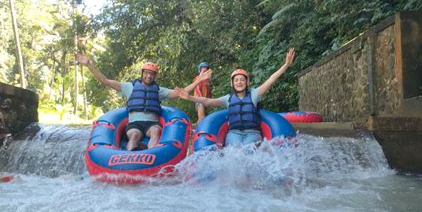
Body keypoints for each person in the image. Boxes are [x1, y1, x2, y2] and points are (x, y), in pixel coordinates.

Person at [75, 54, 211, 151]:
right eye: (146, 73)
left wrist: (199, 80)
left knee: (156, 132)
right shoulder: (129, 86)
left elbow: (179, 93)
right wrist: (88, 64)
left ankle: (152, 156)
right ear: (142, 73)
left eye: (151, 74)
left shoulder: (158, 90)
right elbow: (105, 81)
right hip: (134, 123)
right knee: (134, 135)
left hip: (152, 123)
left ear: (155, 76)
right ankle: (130, 156)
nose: (148, 76)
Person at [175, 48, 296, 146]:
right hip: (233, 133)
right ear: (232, 83)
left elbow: (270, 80)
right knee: (234, 150)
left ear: (247, 82)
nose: (239, 82)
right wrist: (189, 97)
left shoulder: (254, 94)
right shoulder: (228, 99)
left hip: (252, 133)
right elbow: (207, 101)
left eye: (242, 80)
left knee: (248, 149)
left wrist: (285, 65)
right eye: (236, 80)